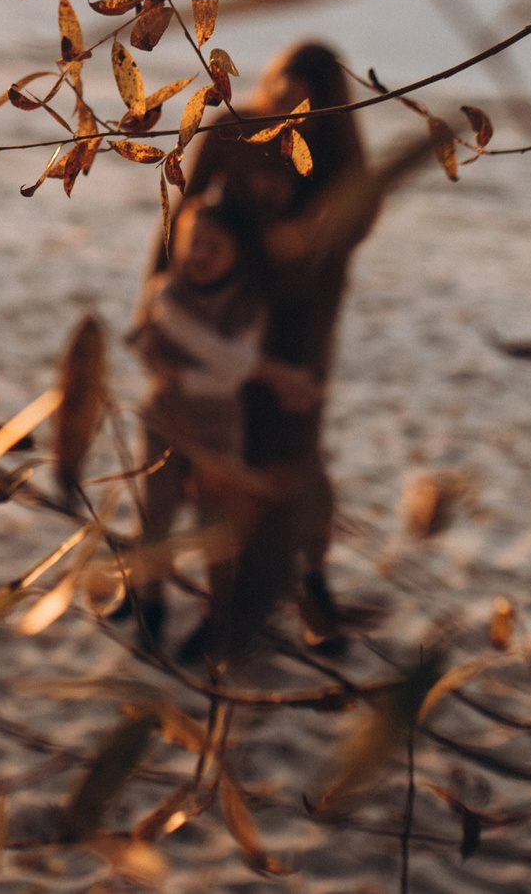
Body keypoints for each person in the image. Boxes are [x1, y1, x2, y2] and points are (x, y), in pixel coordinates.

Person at [153, 41, 382, 658]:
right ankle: (226, 608)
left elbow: (359, 220)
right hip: (226, 313)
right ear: (267, 83)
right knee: (218, 470)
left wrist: (304, 240)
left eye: (302, 110)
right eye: (279, 98)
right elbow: (182, 217)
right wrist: (158, 305)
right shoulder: (231, 132)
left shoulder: (338, 163)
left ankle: (305, 587)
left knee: (291, 461)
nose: (286, 116)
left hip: (301, 322)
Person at [124, 186, 323, 648]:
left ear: (238, 255)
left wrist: (193, 373)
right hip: (163, 421)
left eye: (215, 247)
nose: (200, 254)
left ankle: (218, 614)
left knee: (217, 526)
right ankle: (148, 602)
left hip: (218, 427)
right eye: (195, 242)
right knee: (155, 514)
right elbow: (169, 345)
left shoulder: (247, 305)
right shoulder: (167, 294)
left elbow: (230, 370)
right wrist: (257, 371)